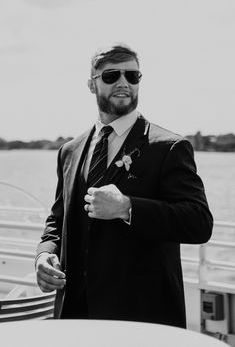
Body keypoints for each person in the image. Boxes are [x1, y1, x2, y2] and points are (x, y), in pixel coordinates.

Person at [35, 44, 213, 328]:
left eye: (132, 76)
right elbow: (57, 219)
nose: (123, 83)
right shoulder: (70, 150)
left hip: (141, 316)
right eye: (111, 76)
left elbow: (199, 222)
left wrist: (128, 208)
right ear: (91, 85)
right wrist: (44, 255)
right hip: (74, 315)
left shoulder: (169, 147)